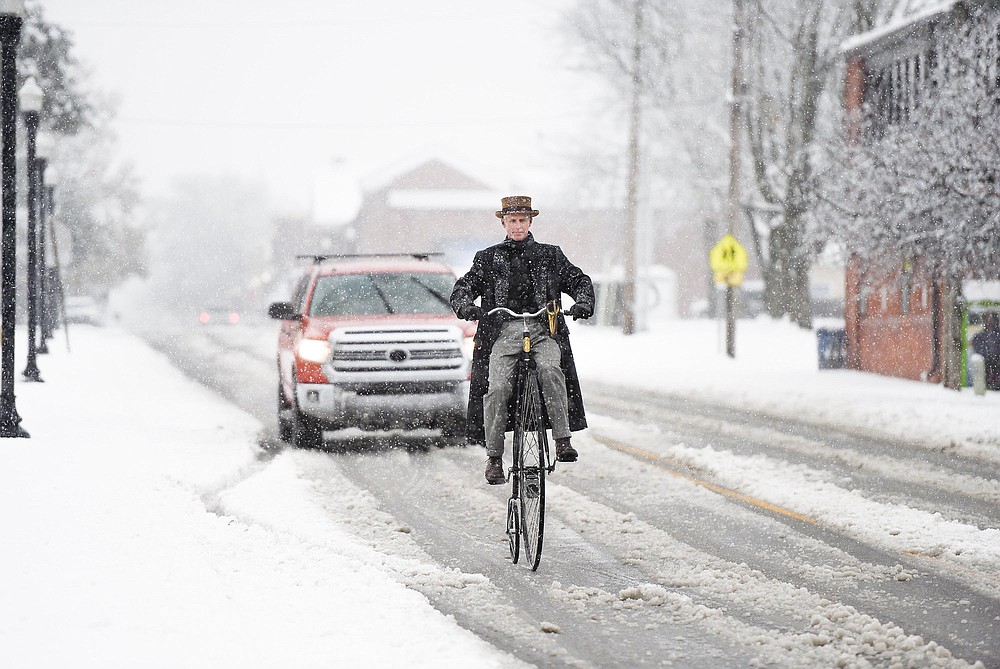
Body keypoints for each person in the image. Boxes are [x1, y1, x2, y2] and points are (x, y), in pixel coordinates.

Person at [451, 196, 595, 484]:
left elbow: (580, 280)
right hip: (504, 332)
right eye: (512, 220)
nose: (517, 226)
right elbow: (463, 286)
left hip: (544, 330)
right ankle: (493, 458)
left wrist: (582, 303)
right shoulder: (488, 258)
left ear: (531, 222)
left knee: (552, 371)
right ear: (503, 222)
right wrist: (465, 305)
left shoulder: (550, 256)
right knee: (498, 386)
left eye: (522, 220)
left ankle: (562, 439)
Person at [972, 312, 1000, 391]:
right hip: (986, 361)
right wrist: (987, 355)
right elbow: (977, 347)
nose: (989, 322)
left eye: (992, 319)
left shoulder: (996, 335)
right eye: (987, 320)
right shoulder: (979, 336)